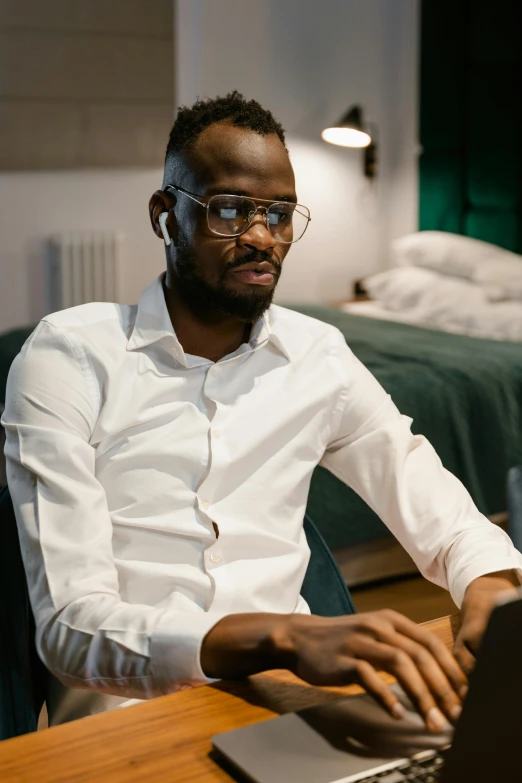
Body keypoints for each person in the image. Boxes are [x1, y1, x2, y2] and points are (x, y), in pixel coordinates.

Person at [3, 92, 521, 731]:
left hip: (295, 709)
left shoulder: (317, 357)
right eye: (228, 210)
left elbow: (438, 510)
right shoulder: (70, 356)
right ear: (165, 216)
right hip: (129, 728)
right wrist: (282, 638)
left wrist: (491, 585)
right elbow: (72, 630)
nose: (260, 238)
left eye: (279, 215)